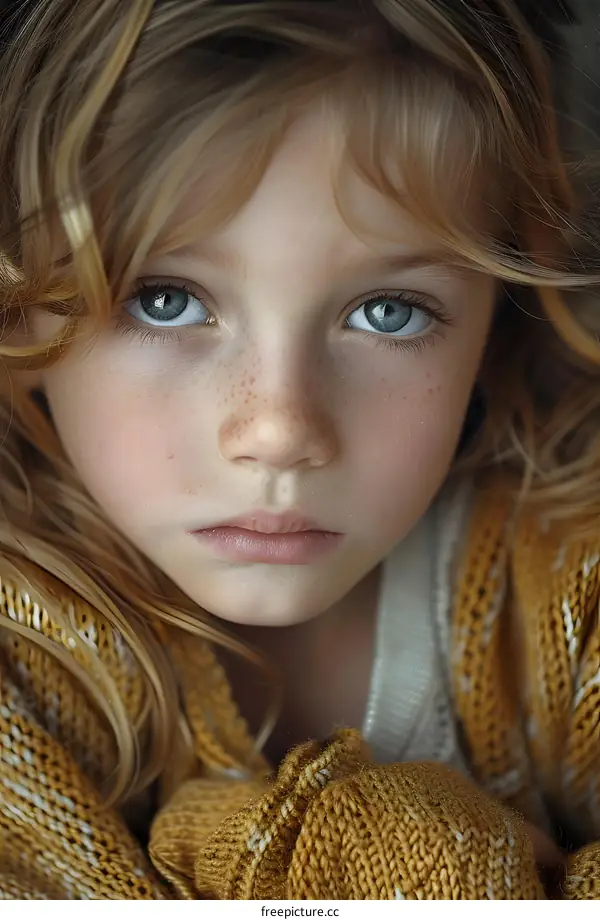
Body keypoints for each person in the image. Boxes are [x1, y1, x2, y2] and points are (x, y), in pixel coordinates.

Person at [0, 0, 598, 901]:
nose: (280, 428)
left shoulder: (571, 580)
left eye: (387, 313)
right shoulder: (20, 660)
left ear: (493, 327)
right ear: (21, 309)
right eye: (165, 300)